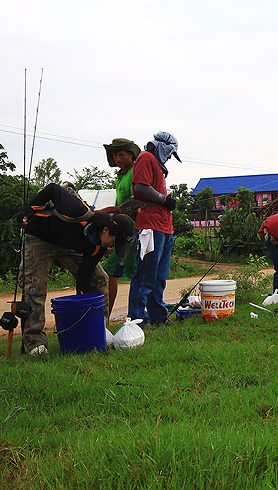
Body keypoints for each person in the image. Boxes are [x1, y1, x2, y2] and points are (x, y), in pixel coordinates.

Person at [19, 182, 135, 355]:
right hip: (39, 236)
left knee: (99, 280)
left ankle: (97, 330)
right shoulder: (77, 210)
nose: (112, 247)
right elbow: (53, 189)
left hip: (69, 244)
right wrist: (28, 211)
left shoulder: (98, 246)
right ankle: (34, 342)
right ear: (105, 230)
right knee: (34, 286)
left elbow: (84, 277)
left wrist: (84, 310)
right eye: (114, 241)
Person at [128, 131, 182, 327]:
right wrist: (164, 200)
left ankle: (158, 317)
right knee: (145, 276)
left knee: (159, 277)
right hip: (150, 227)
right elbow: (140, 187)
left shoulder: (158, 166)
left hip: (165, 228)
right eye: (169, 152)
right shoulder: (146, 157)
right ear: (161, 145)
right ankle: (136, 320)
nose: (169, 157)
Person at [100, 138, 141, 317]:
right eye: (115, 155)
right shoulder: (120, 175)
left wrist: (108, 210)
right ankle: (107, 314)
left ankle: (136, 315)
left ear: (131, 155)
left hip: (134, 228)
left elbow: (135, 202)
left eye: (121, 154)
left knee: (132, 273)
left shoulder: (135, 172)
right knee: (112, 272)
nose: (118, 158)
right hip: (121, 228)